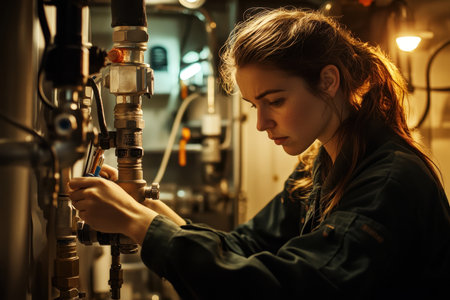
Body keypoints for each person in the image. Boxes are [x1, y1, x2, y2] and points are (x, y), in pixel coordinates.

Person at [68, 7, 450, 299]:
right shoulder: (321, 164)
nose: (261, 123)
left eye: (276, 101)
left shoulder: (388, 181)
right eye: (255, 106)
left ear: (328, 81)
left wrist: (136, 222)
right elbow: (242, 249)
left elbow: (281, 288)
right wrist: (143, 208)